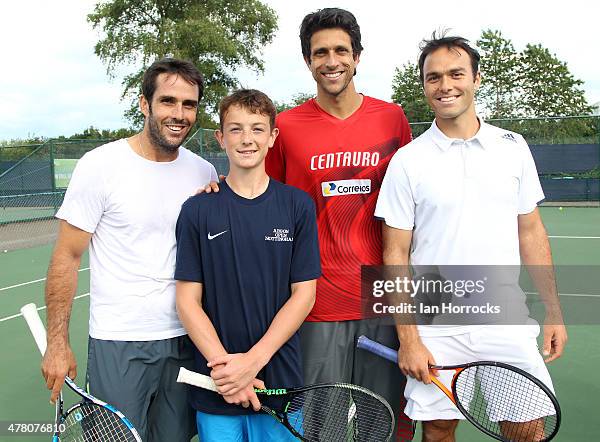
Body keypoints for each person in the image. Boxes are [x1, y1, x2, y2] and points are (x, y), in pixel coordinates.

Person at [375, 33, 568, 441]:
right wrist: (409, 338)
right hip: (435, 325)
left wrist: (554, 310)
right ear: (425, 86)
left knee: (526, 431)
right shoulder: (407, 162)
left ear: (476, 79)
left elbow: (531, 231)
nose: (445, 85)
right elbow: (394, 253)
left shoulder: (513, 147)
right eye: (434, 77)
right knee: (439, 430)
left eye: (456, 73)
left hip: (506, 320)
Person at [41, 58, 218, 441]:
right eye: (168, 101)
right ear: (144, 103)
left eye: (189, 104)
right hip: (119, 340)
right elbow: (67, 257)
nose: (179, 114)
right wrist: (58, 343)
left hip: (186, 339)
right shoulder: (99, 166)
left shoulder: (203, 172)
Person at [263, 7, 414, 437]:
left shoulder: (392, 118)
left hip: (382, 300)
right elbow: (261, 194)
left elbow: (411, 205)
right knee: (321, 428)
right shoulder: (286, 127)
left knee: (383, 425)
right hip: (315, 303)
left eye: (341, 50)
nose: (331, 61)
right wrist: (217, 187)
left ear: (357, 56)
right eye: (320, 52)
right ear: (308, 61)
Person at [174, 89, 320, 442]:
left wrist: (252, 363)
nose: (247, 139)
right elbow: (187, 301)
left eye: (257, 129)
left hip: (279, 382)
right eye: (236, 129)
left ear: (272, 137)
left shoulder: (297, 205)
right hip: (217, 387)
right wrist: (227, 371)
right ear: (220, 138)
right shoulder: (197, 210)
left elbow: (304, 295)